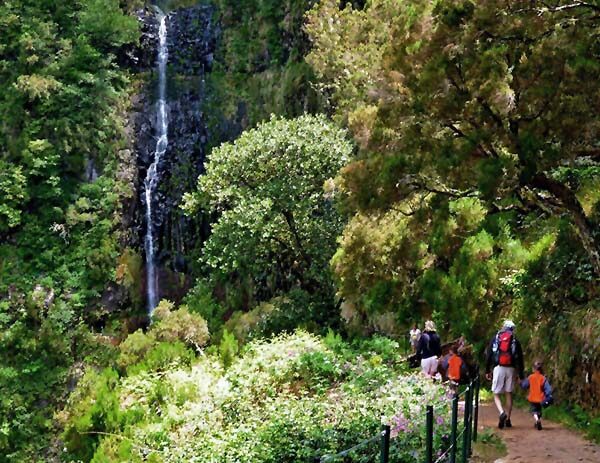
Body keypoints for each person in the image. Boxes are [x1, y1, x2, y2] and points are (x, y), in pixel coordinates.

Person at [485, 320, 524, 429]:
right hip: (511, 369)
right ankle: (508, 419)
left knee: (496, 394)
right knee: (509, 393)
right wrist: (521, 375)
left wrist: (487, 370)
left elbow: (489, 354)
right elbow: (520, 359)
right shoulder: (515, 340)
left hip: (498, 368)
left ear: (503, 327)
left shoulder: (496, 338)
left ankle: (502, 412)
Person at [521, 361, 553, 430]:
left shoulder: (530, 377)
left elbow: (524, 385)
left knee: (534, 410)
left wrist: (521, 383)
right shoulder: (543, 378)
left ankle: (537, 420)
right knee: (539, 410)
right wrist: (548, 395)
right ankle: (538, 420)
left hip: (532, 398)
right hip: (540, 398)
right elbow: (548, 389)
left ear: (533, 369)